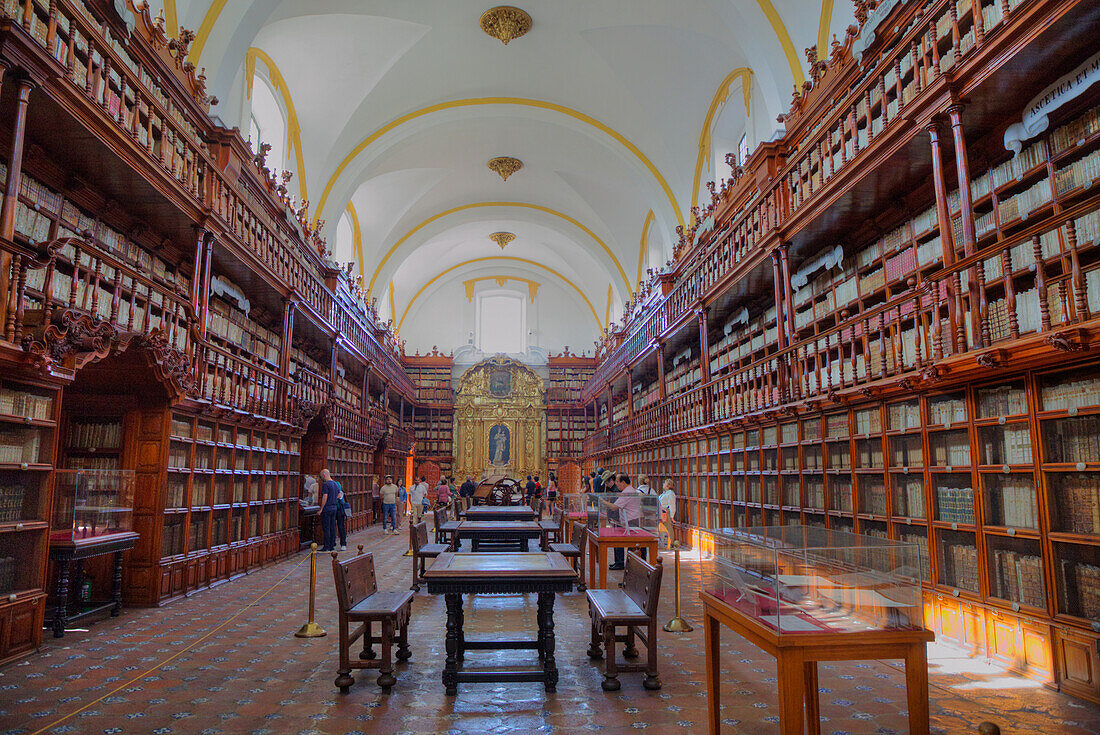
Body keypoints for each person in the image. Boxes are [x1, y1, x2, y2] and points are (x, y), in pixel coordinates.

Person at [609, 473, 641, 570]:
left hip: (631, 521)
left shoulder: (628, 493)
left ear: (623, 482)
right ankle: (622, 563)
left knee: (629, 545)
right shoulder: (628, 490)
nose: (616, 484)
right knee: (620, 541)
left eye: (617, 482)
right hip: (628, 521)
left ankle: (629, 566)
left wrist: (602, 502)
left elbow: (614, 507)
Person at [318, 468, 340, 552]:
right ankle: (332, 545)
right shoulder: (335, 484)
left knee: (326, 528)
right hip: (334, 508)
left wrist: (321, 509)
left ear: (324, 475)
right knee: (332, 527)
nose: (321, 479)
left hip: (327, 508)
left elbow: (325, 497)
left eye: (321, 477)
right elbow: (339, 495)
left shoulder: (326, 484)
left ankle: (326, 546)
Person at [658, 478, 677, 549]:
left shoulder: (670, 493)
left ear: (668, 485)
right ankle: (665, 542)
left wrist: (672, 516)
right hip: (662, 511)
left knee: (668, 527)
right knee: (664, 527)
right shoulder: (665, 493)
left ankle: (671, 542)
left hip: (666, 512)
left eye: (664, 483)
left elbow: (672, 504)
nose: (663, 484)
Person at [335, 480, 349, 550]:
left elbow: (339, 496)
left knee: (340, 526)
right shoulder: (337, 484)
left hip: (339, 508)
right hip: (337, 508)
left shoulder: (337, 485)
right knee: (340, 526)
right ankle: (342, 544)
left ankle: (343, 543)